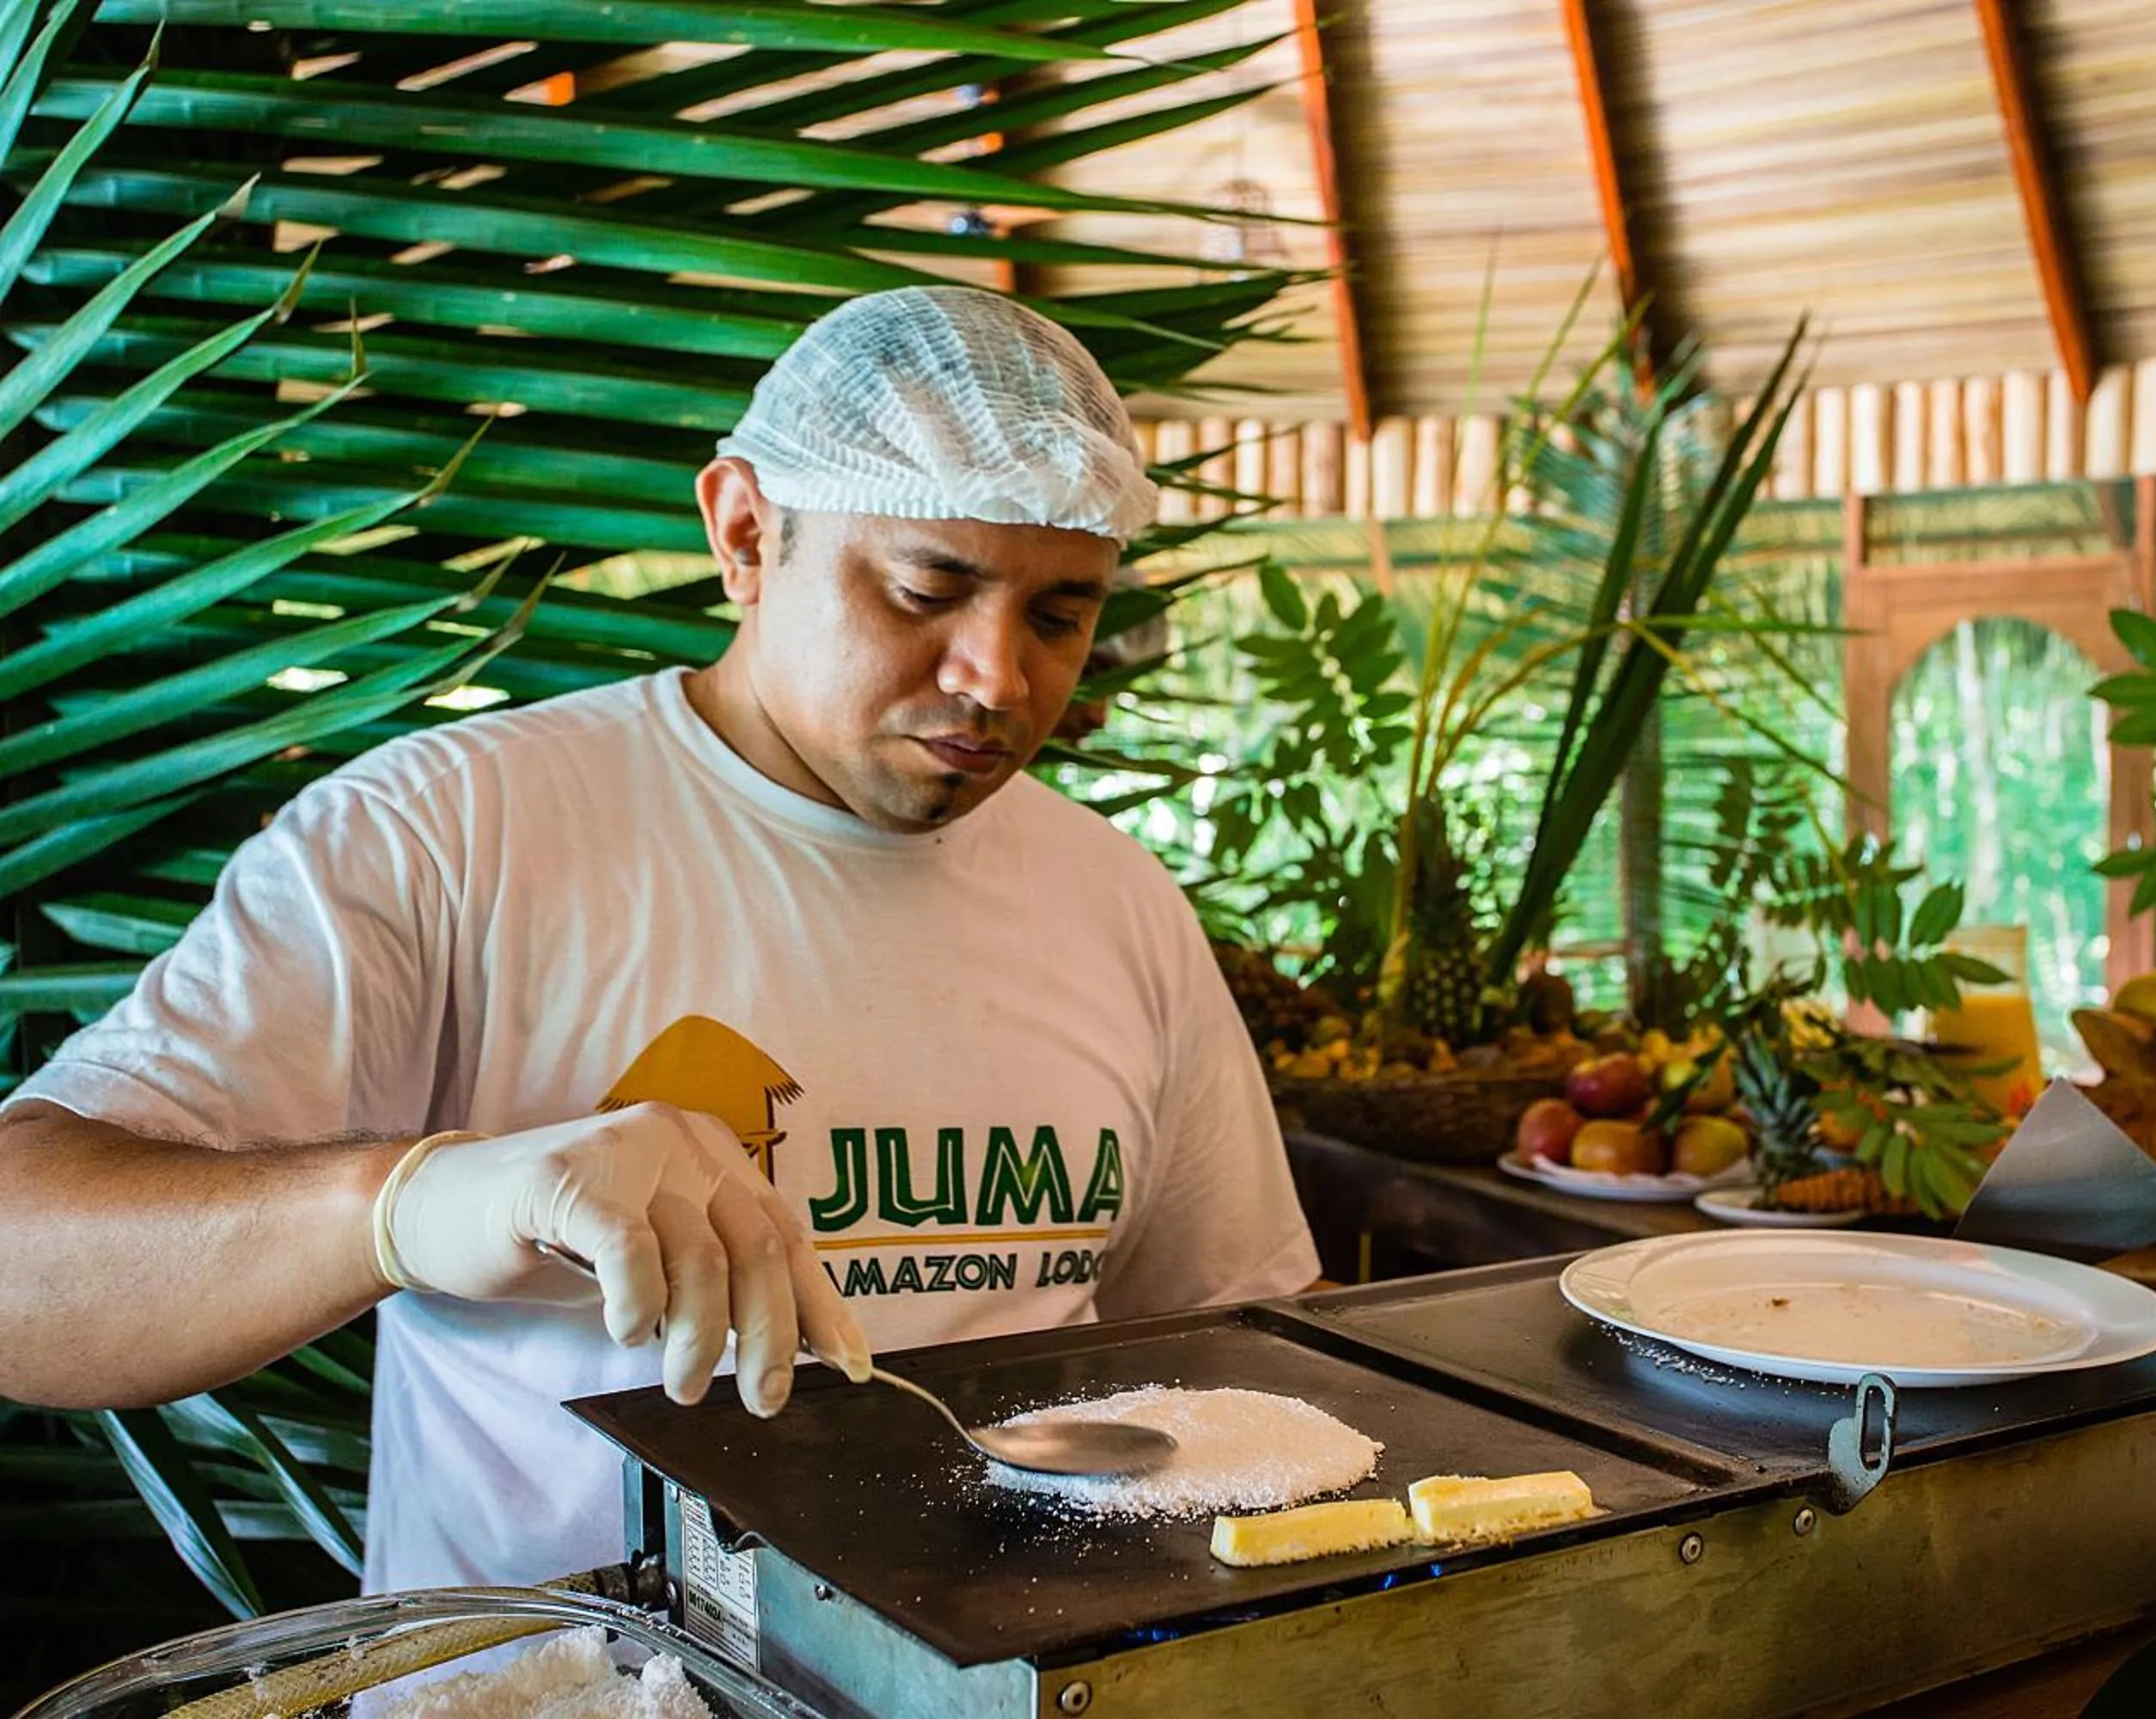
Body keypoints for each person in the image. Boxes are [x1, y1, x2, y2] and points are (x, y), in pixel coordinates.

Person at [0, 285, 1320, 1594]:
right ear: (745, 533)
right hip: (558, 1684)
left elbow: (1244, 1341)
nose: (998, 677)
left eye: (1060, 614)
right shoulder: (450, 831)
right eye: (927, 589)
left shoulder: (1114, 897)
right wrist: (417, 1202)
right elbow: (25, 1269)